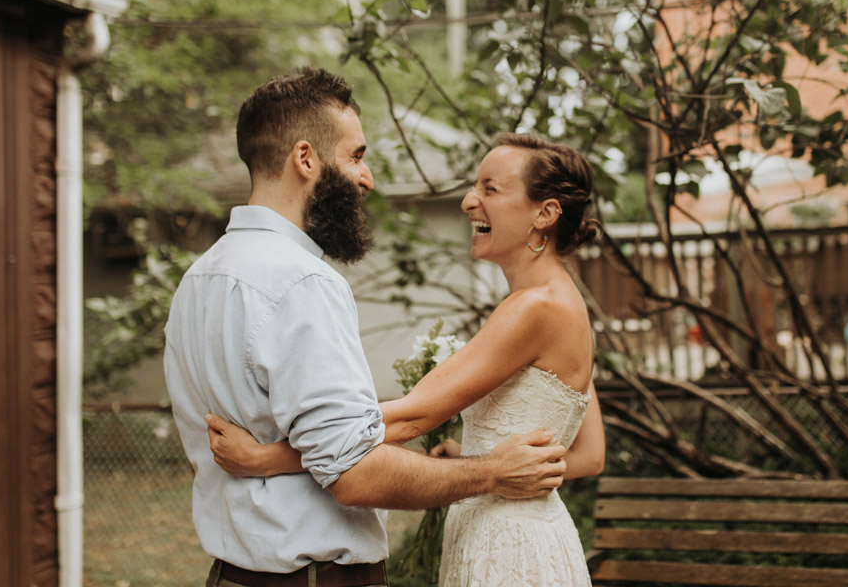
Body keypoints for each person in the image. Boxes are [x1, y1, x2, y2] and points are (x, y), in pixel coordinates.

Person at [164, 70, 568, 587]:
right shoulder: (302, 282)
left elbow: (209, 461)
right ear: (305, 159)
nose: (367, 176)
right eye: (355, 155)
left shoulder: (197, 282)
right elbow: (355, 474)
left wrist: (269, 458)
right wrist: (490, 472)